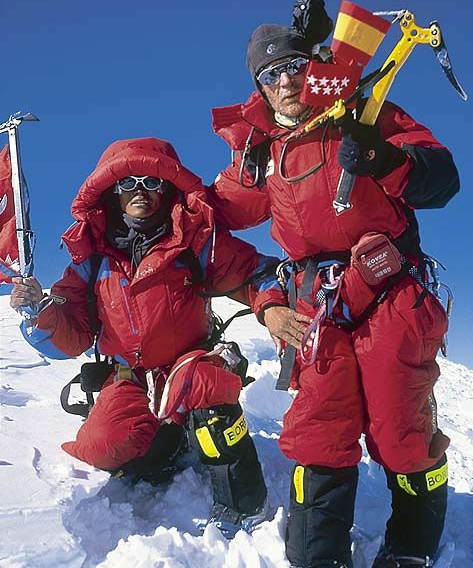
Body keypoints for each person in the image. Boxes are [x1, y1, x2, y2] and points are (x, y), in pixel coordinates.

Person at [206, 0, 460, 568]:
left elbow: (442, 179)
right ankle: (315, 556)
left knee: (401, 425)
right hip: (317, 304)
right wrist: (149, 205)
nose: (285, 80)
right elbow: (211, 217)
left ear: (313, 65)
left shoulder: (364, 114)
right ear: (260, 87)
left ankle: (413, 547)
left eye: (294, 64)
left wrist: (383, 160)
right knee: (320, 424)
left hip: (391, 288)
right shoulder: (262, 154)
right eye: (270, 74)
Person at [10, 136, 290, 538]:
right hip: (131, 378)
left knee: (205, 386)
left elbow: (256, 272)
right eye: (127, 183)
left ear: (167, 188)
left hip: (190, 367)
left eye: (151, 182)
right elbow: (70, 339)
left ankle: (244, 504)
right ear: (111, 195)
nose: (139, 191)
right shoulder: (93, 261)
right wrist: (41, 312)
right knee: (104, 447)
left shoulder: (194, 241)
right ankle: (171, 442)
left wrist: (272, 306)